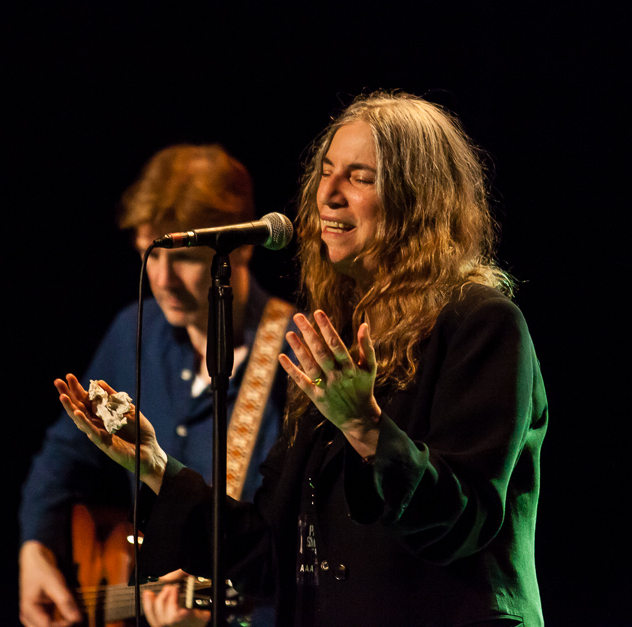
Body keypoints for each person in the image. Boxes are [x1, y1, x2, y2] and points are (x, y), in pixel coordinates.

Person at [56, 91, 547, 626]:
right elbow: (274, 552)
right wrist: (154, 467)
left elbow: (465, 520)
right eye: (327, 171)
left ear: (418, 200)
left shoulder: (482, 323)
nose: (328, 194)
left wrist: (365, 426)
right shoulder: (332, 333)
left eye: (360, 177)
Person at [20, 144, 294, 627]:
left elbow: (294, 553)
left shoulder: (296, 355)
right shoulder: (133, 333)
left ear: (243, 246)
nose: (162, 280)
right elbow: (64, 454)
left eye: (184, 257)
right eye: (151, 251)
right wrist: (36, 547)